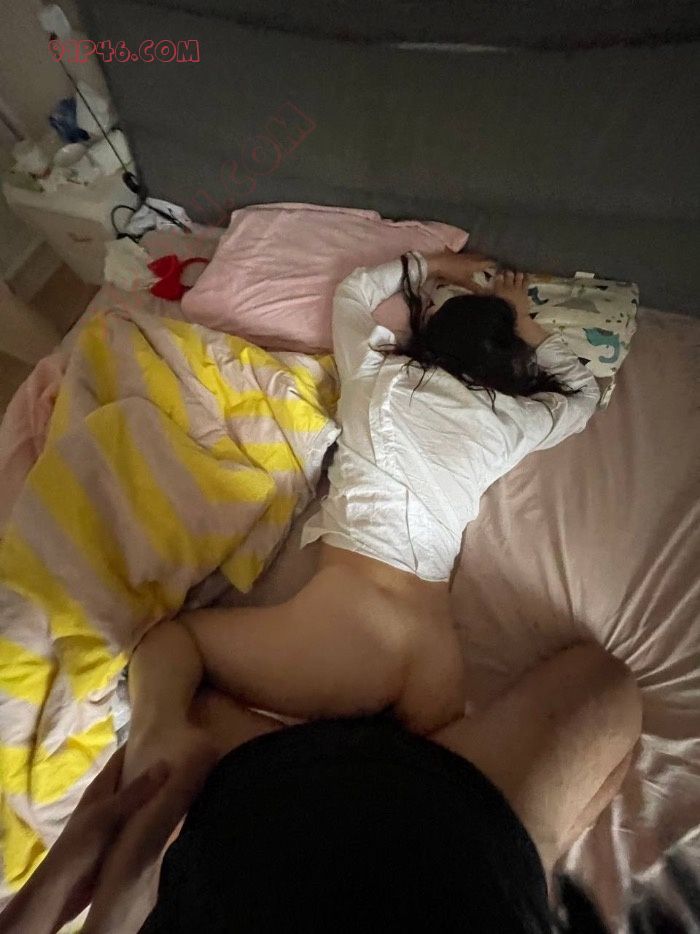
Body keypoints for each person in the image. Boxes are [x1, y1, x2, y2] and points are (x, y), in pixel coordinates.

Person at [0, 643, 641, 933]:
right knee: (607, 700)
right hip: (441, 852)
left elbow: (169, 650)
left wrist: (161, 722)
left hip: (262, 830)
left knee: (605, 701)